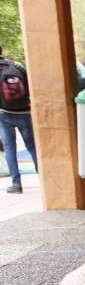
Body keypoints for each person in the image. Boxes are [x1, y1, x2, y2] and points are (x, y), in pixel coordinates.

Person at [0, 46, 37, 194]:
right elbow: (30, 87)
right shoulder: (17, 66)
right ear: (2, 51)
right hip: (24, 111)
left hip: (4, 114)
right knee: (32, 146)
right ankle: (44, 177)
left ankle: (16, 184)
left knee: (10, 148)